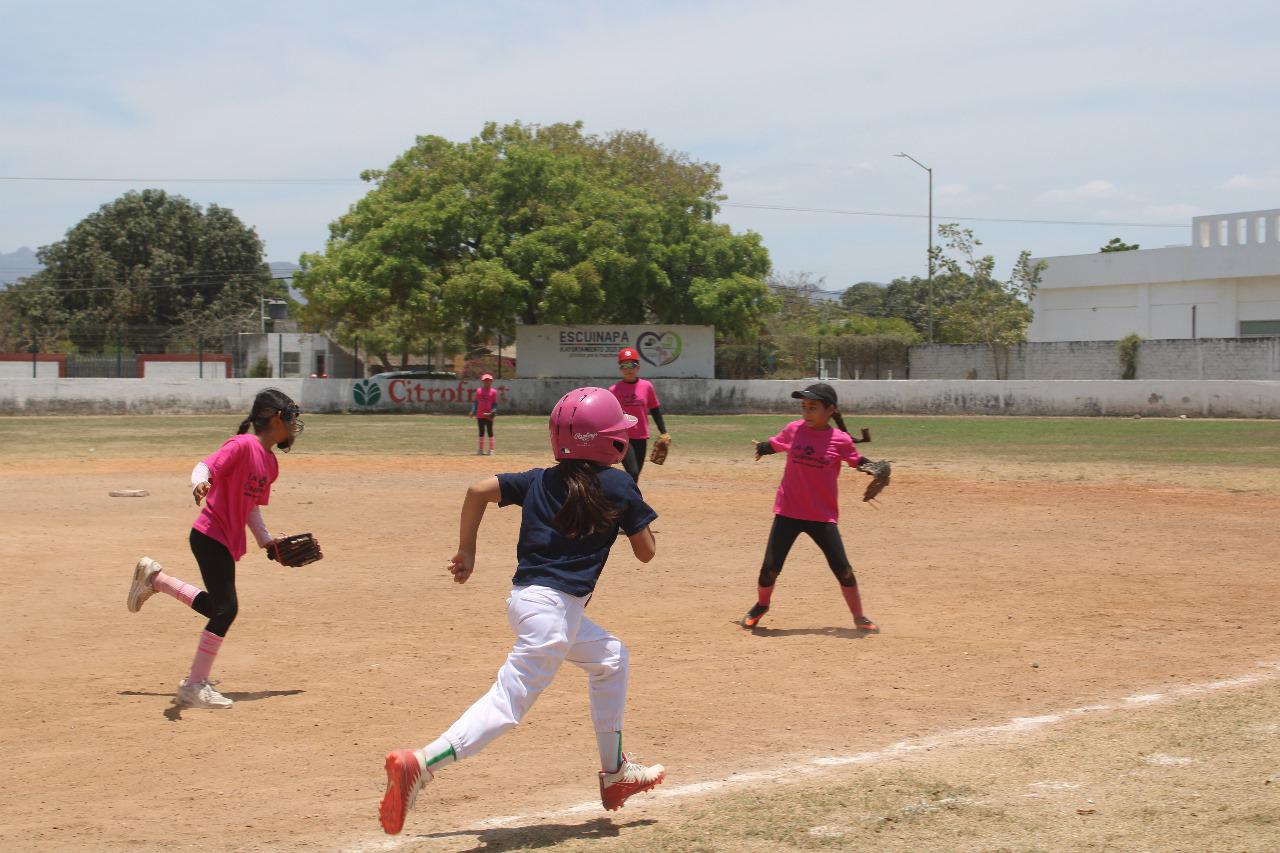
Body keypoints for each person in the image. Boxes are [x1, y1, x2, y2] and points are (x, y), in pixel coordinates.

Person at [378, 387, 666, 835]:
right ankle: (423, 761)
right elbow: (646, 553)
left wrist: (467, 551)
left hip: (527, 602)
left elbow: (477, 491)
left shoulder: (540, 479)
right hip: (555, 612)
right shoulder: (618, 484)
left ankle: (615, 774)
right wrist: (632, 506)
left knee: (610, 658)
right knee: (508, 702)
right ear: (610, 442)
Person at [125, 388, 305, 709]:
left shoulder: (270, 464)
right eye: (291, 417)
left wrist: (268, 543)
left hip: (223, 539)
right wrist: (200, 483)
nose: (294, 425)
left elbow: (251, 508)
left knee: (219, 608)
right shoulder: (243, 445)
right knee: (226, 610)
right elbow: (204, 467)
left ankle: (156, 580)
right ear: (277, 418)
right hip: (209, 535)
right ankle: (193, 686)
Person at [742, 382, 878, 633]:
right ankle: (762, 605)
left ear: (830, 410)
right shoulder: (794, 429)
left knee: (843, 569)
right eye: (804, 406)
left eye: (813, 407)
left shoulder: (840, 439)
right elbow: (777, 444)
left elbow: (856, 460)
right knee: (770, 567)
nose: (806, 411)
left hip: (822, 516)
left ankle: (859, 616)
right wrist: (762, 448)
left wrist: (874, 468)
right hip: (788, 511)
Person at [607, 347, 671, 483]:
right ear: (620, 368)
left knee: (635, 475)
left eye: (632, 365)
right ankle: (628, 499)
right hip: (623, 437)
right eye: (624, 365)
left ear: (638, 367)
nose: (628, 369)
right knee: (633, 472)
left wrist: (663, 432)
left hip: (641, 436)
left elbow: (655, 410)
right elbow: (608, 414)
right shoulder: (613, 390)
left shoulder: (647, 387)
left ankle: (627, 498)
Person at [469, 373, 499, 456]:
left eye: (489, 380)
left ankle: (491, 450)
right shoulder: (479, 391)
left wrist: (493, 411)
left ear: (491, 381)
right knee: (481, 432)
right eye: (485, 380)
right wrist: (472, 411)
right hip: (480, 414)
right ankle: (480, 449)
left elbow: (494, 404)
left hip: (489, 415)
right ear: (483, 381)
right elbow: (476, 402)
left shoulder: (493, 392)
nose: (487, 382)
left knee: (490, 432)